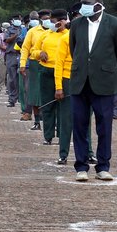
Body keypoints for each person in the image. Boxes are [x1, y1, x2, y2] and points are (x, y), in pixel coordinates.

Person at [66, 0, 117, 182]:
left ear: (99, 5)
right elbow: (73, 48)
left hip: (103, 82)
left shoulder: (115, 24)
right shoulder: (76, 24)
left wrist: (104, 69)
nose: (84, 7)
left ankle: (103, 166)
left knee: (104, 126)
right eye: (82, 3)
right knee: (80, 125)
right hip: (80, 81)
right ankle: (81, 166)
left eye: (87, 3)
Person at [38, 9, 73, 164]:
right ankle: (48, 135)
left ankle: (62, 136)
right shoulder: (46, 35)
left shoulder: (70, 35)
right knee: (48, 105)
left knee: (64, 110)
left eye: (54, 21)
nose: (51, 24)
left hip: (66, 75)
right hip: (48, 71)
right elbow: (32, 49)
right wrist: (39, 53)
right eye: (50, 22)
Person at [20, 11, 47, 130]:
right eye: (44, 18)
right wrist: (22, 64)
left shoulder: (56, 32)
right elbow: (25, 48)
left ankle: (52, 122)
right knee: (34, 93)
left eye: (49, 18)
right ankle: (37, 121)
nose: (47, 20)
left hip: (51, 64)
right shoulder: (32, 31)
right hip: (35, 64)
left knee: (50, 93)